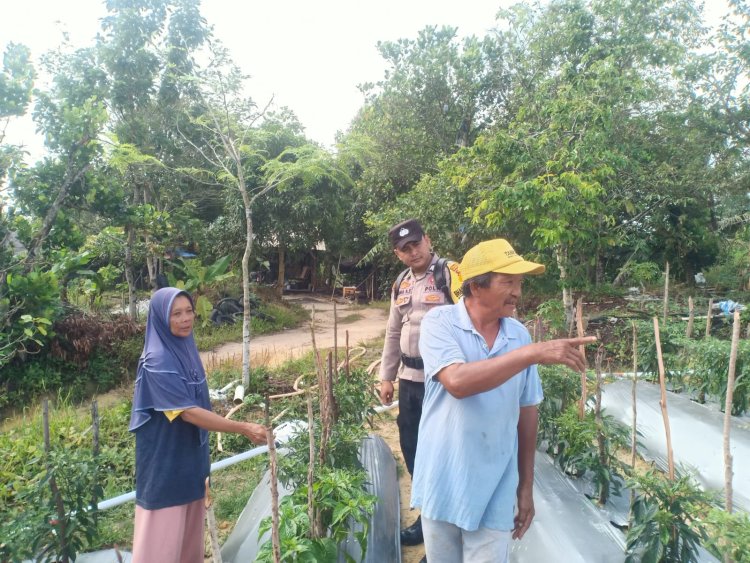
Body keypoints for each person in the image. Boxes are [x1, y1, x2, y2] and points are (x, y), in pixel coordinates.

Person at [412, 239, 596, 563]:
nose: (518, 292)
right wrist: (533, 353)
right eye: (508, 281)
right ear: (477, 286)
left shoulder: (518, 335)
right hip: (443, 479)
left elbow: (528, 411)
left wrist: (525, 487)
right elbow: (457, 381)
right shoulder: (440, 324)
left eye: (520, 283)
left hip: (495, 485)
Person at [129, 287, 267, 563]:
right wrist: (243, 427)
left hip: (190, 459)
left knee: (187, 542)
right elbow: (188, 413)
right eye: (176, 313)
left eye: (189, 311)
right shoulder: (157, 360)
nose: (185, 319)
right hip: (165, 464)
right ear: (160, 318)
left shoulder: (185, 350)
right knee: (162, 544)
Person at [378, 218, 457, 553]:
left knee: (444, 455)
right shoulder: (401, 283)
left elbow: (472, 318)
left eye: (416, 244)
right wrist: (386, 375)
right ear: (398, 254)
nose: (413, 252)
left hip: (445, 382)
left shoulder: (450, 273)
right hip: (410, 382)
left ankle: (445, 538)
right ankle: (428, 519)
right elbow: (394, 332)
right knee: (413, 451)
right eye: (405, 249)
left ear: (428, 239)